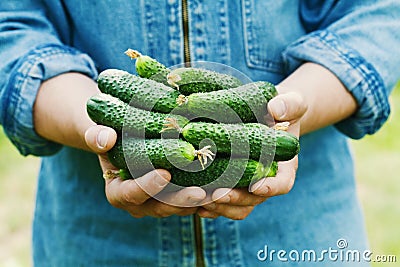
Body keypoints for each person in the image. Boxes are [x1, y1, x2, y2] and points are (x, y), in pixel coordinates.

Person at [0, 1, 399, 266]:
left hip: (301, 235)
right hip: (96, 241)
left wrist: (292, 106)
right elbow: (12, 25)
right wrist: (96, 124)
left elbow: (379, 14)